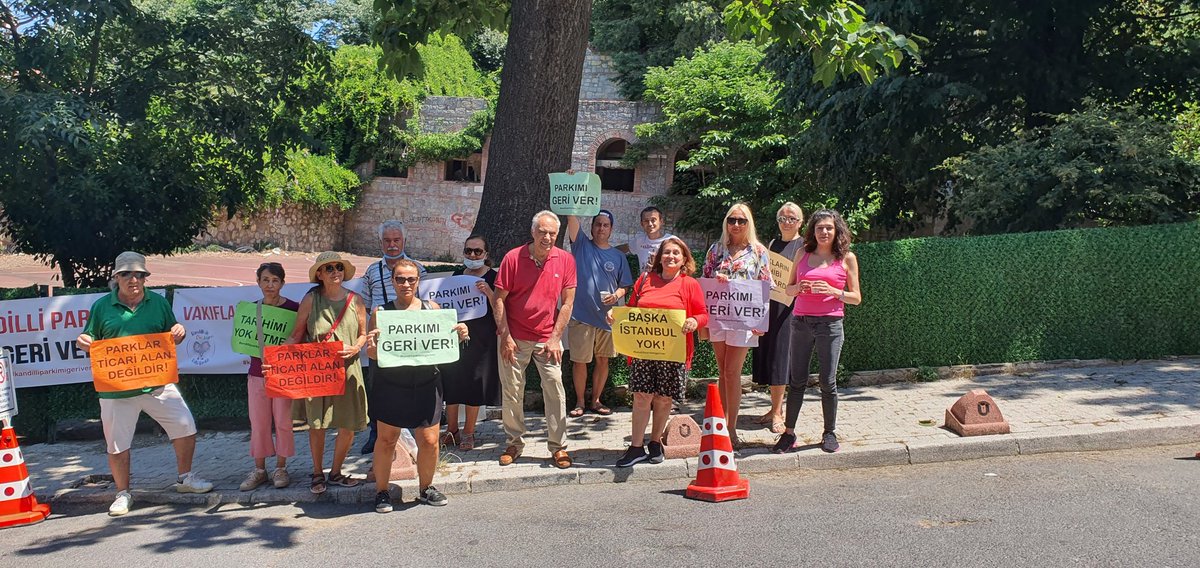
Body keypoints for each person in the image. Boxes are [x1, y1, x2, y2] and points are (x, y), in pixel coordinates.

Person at [76, 251, 213, 517]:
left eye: (139, 274)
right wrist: (83, 340)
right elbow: (88, 337)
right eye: (127, 274)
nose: (134, 280)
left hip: (157, 385)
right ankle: (123, 493)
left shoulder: (159, 303)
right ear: (117, 277)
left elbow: (173, 333)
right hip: (117, 391)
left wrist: (179, 331)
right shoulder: (102, 307)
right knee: (117, 444)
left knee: (185, 425)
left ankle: (185, 478)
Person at [366, 260, 469, 512]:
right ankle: (381, 492)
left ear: (418, 281)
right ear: (392, 281)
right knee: (386, 440)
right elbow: (372, 354)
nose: (406, 284)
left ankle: (426, 488)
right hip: (392, 385)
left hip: (427, 383)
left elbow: (447, 345)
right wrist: (373, 347)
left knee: (430, 440)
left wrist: (461, 335)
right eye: (400, 279)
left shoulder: (432, 309)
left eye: (411, 279)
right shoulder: (381, 313)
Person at [610, 238, 708, 467]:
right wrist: (615, 315)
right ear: (659, 257)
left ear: (684, 259)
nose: (671, 256)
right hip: (644, 351)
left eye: (676, 253)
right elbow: (631, 309)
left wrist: (694, 321)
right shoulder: (645, 280)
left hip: (673, 353)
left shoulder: (689, 284)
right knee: (641, 397)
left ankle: (655, 442)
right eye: (666, 252)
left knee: (664, 399)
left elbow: (703, 315)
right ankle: (636, 447)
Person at [773, 209, 862, 454]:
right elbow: (787, 290)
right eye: (820, 227)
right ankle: (788, 433)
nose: (824, 232)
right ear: (812, 230)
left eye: (829, 228)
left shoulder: (846, 258)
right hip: (800, 322)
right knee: (797, 380)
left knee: (828, 381)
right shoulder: (802, 253)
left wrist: (834, 292)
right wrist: (798, 287)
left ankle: (829, 432)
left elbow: (856, 298)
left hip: (830, 325)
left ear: (837, 231)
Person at [493, 210, 577, 469]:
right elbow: (499, 299)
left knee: (555, 390)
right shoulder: (513, 258)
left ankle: (558, 447)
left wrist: (555, 338)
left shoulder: (565, 260)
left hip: (547, 338)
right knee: (512, 391)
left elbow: (568, 303)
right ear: (533, 232)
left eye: (552, 233)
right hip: (514, 338)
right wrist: (505, 336)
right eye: (542, 232)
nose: (548, 237)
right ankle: (514, 443)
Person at [280, 251, 369, 494]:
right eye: (328, 268)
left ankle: (337, 471)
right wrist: (277, 359)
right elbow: (297, 334)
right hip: (317, 369)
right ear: (319, 274)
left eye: (338, 267)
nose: (335, 272)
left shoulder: (356, 300)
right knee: (317, 424)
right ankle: (318, 473)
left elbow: (363, 333)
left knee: (348, 424)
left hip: (348, 368)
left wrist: (357, 347)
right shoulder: (311, 299)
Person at [701, 203, 773, 447]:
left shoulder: (758, 251)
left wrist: (761, 320)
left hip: (744, 320)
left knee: (733, 372)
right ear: (726, 222)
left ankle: (730, 429)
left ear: (749, 223)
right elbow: (705, 279)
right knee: (722, 372)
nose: (736, 225)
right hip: (720, 316)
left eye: (742, 220)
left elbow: (766, 285)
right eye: (732, 220)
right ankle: (720, 423)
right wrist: (716, 279)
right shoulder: (716, 249)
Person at [360, 220, 427, 455]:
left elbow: (427, 305)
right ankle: (376, 433)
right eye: (387, 241)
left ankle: (415, 434)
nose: (391, 245)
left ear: (404, 241)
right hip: (383, 338)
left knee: (412, 384)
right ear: (380, 242)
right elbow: (366, 304)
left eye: (396, 240)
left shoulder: (419, 268)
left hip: (413, 340)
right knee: (379, 387)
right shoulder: (371, 272)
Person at [566, 210, 633, 418]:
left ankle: (596, 400)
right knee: (580, 361)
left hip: (607, 317)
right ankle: (579, 402)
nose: (601, 228)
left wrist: (616, 295)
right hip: (581, 315)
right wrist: (572, 193)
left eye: (606, 225)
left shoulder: (618, 256)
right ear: (592, 227)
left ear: (611, 229)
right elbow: (571, 218)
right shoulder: (581, 245)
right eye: (598, 224)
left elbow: (625, 286)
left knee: (603, 360)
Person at [240, 262, 300, 491]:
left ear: (283, 283)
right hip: (257, 374)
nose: (270, 285)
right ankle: (259, 470)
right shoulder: (250, 311)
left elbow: (301, 338)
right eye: (265, 280)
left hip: (284, 375)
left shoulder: (294, 309)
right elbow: (244, 340)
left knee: (283, 422)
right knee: (259, 423)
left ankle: (281, 468)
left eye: (275, 280)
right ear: (258, 282)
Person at [439, 235, 502, 450]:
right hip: (455, 338)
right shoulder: (456, 276)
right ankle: (452, 430)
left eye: (477, 251)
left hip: (482, 339)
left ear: (486, 254)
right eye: (469, 251)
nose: (473, 255)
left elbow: (501, 308)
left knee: (475, 385)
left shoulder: (494, 276)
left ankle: (469, 432)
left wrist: (489, 292)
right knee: (452, 383)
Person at [751, 203, 805, 434]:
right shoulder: (772, 244)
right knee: (770, 357)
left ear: (801, 222)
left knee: (781, 359)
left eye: (792, 218)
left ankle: (777, 413)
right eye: (782, 218)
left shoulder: (804, 246)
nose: (786, 222)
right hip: (769, 305)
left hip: (790, 309)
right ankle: (774, 408)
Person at [619, 206, 674, 272]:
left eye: (653, 220)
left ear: (661, 222)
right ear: (642, 224)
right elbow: (623, 248)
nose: (650, 224)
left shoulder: (672, 241)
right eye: (646, 221)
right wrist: (605, 251)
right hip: (646, 281)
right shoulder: (640, 241)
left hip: (666, 282)